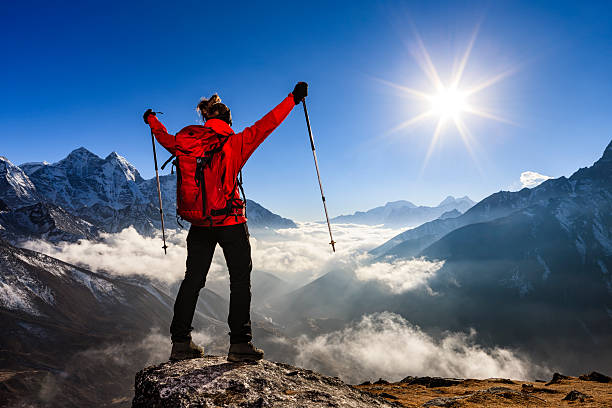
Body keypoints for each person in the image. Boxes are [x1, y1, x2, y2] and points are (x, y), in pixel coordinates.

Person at [143, 82, 308, 362]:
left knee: (192, 281)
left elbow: (163, 136)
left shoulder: (185, 141)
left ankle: (180, 343)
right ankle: (240, 344)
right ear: (228, 120)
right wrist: (292, 99)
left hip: (199, 223)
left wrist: (151, 119)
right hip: (230, 221)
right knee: (240, 281)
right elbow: (268, 124)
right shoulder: (236, 142)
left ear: (207, 119)